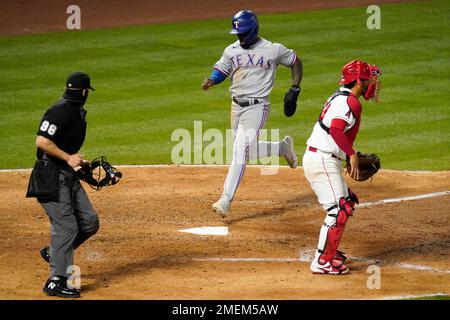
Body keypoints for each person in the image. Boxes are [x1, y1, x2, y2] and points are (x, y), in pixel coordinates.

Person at [202, 10, 303, 217]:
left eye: (243, 33)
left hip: (257, 107)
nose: (240, 37)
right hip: (236, 107)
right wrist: (212, 80)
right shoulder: (231, 50)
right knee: (245, 151)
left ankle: (226, 199)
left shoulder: (272, 49)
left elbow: (295, 62)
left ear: (253, 29)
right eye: (237, 33)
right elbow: (222, 69)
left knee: (239, 152)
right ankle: (283, 148)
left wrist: (295, 87)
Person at [302, 60, 381, 274]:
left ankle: (330, 251)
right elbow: (336, 130)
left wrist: (347, 154)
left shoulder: (341, 97)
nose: (370, 83)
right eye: (367, 79)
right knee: (338, 209)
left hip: (323, 157)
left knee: (347, 203)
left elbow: (335, 131)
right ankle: (322, 261)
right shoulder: (350, 103)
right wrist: (352, 154)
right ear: (357, 80)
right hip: (322, 159)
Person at [29, 72, 99, 297]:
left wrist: (76, 162)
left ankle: (54, 252)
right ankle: (55, 280)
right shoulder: (59, 110)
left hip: (65, 173)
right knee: (67, 226)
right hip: (50, 175)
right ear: (85, 92)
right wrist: (68, 157)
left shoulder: (74, 110)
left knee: (89, 222)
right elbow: (42, 141)